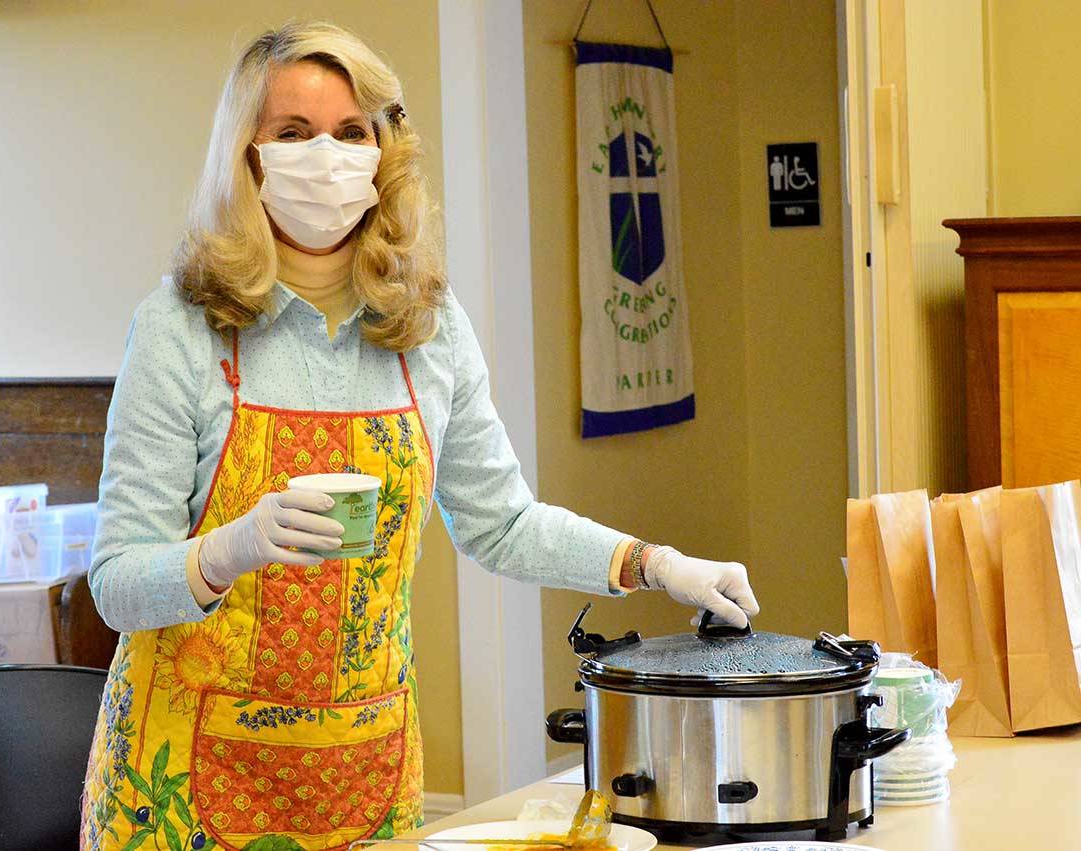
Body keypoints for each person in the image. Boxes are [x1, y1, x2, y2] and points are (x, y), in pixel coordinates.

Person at [80, 21, 759, 851]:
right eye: (293, 134)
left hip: (365, 778)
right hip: (182, 789)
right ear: (246, 156)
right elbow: (115, 582)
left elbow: (503, 523)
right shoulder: (179, 329)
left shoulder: (427, 329)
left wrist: (655, 564)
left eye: (350, 132)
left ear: (383, 151)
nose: (324, 155)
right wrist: (229, 550)